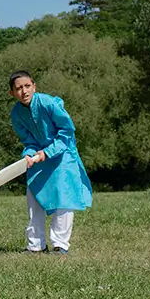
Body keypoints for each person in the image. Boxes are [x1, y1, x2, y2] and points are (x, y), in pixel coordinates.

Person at [7, 71, 92, 255]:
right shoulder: (15, 114)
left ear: (34, 86)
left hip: (62, 156)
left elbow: (67, 131)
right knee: (33, 197)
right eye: (18, 88)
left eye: (27, 86)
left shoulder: (48, 103)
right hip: (38, 159)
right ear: (12, 93)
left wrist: (47, 152)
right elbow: (28, 140)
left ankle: (60, 245)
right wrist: (29, 155)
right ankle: (36, 246)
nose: (24, 91)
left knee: (64, 199)